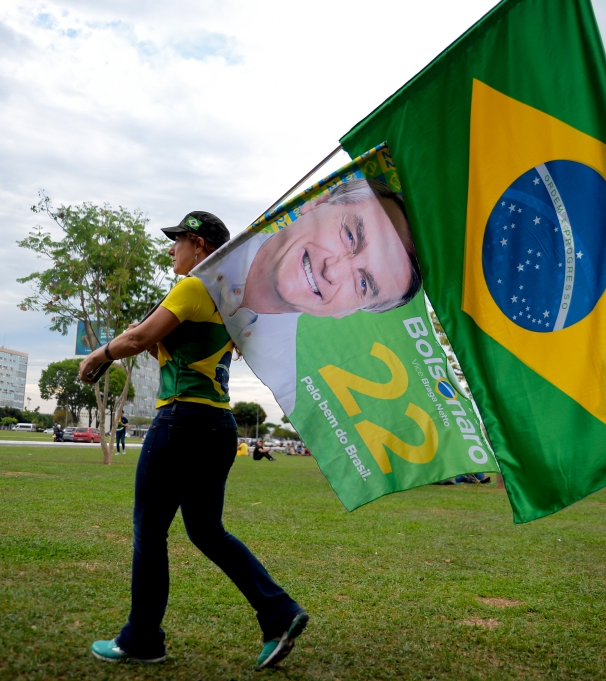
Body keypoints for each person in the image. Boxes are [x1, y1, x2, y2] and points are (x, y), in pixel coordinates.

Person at [79, 211, 308, 669]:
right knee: (206, 531)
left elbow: (142, 336)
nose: (171, 250)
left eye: (177, 241)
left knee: (149, 531)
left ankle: (142, 638)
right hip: (219, 427)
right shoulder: (231, 298)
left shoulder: (193, 287)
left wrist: (99, 354)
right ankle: (279, 612)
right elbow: (156, 337)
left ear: (200, 245)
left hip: (180, 421)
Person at [196, 178, 422, 415]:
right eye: (350, 236)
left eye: (363, 283)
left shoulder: (285, 382)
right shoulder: (206, 261)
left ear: (348, 311)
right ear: (318, 203)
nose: (332, 270)